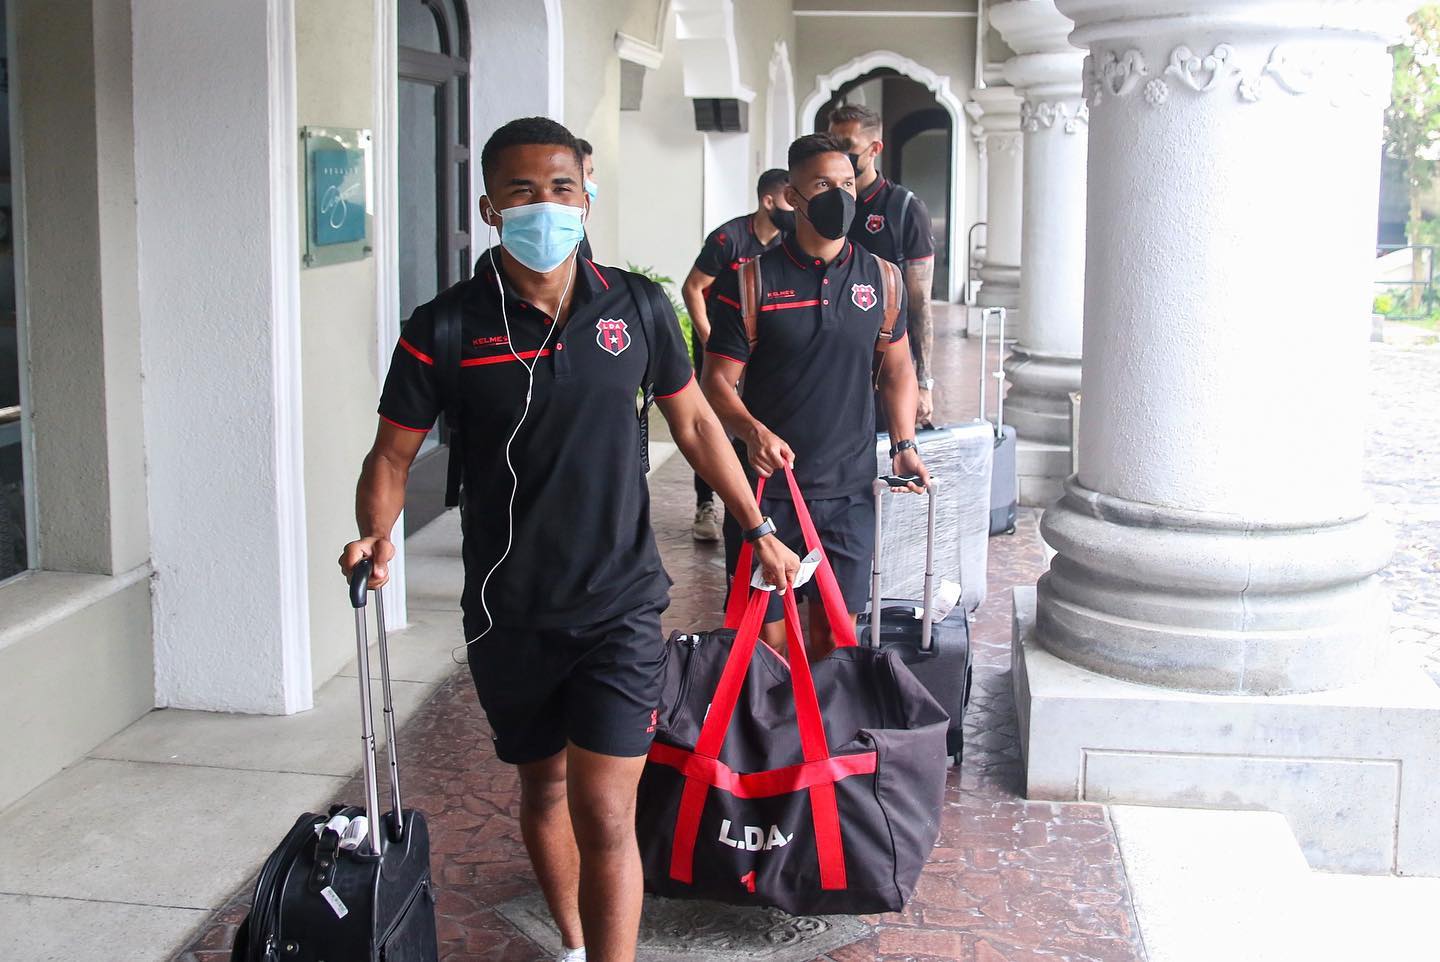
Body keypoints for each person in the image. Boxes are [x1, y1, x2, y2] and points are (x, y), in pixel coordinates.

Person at [341, 117, 799, 962]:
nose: (543, 206)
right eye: (521, 191)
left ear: (587, 195)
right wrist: (376, 532)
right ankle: (576, 943)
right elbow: (391, 453)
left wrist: (757, 524)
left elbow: (695, 422)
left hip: (619, 603)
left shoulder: (636, 305)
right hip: (506, 613)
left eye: (560, 189)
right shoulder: (443, 327)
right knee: (544, 788)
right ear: (489, 207)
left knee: (605, 809)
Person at [701, 133, 929, 659]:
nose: (840, 196)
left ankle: (822, 739)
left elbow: (897, 367)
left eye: (847, 184)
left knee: (834, 636)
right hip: (767, 492)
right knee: (768, 640)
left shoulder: (882, 278)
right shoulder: (751, 281)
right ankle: (774, 740)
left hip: (848, 491)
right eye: (823, 185)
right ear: (792, 196)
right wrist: (751, 430)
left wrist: (903, 444)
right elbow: (716, 381)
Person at [679, 169, 795, 542]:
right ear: (767, 201)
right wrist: (711, 340)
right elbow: (693, 288)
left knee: (751, 422)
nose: (793, 209)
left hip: (759, 350)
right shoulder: (728, 238)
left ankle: (751, 503)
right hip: (721, 348)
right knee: (712, 424)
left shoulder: (789, 241)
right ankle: (705, 505)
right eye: (786, 201)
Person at [827, 103, 939, 429]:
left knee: (885, 464)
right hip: (829, 364)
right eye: (832, 144)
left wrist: (923, 383)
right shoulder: (820, 205)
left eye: (847, 147)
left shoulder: (904, 209)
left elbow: (920, 304)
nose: (838, 155)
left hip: (885, 363)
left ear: (875, 149)